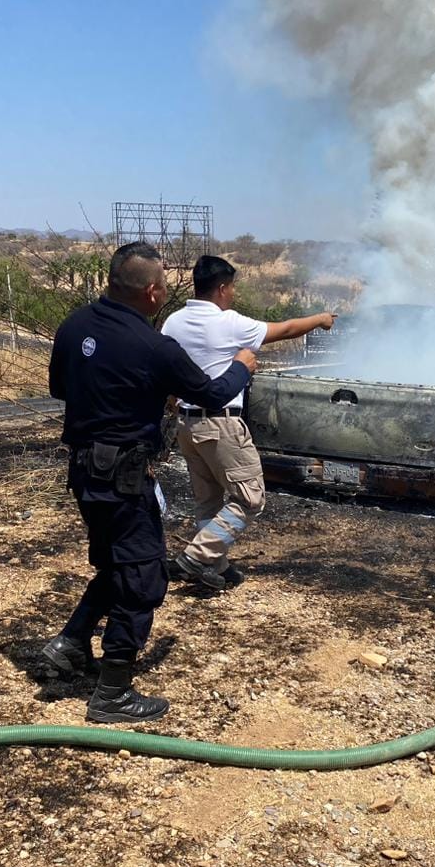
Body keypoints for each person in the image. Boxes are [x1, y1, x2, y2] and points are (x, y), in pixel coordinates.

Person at [41, 242, 258, 723]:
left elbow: (60, 387)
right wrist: (243, 363)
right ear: (155, 291)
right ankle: (112, 695)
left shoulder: (73, 325)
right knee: (142, 578)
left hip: (83, 472)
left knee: (117, 565)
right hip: (123, 476)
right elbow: (215, 392)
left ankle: (72, 643)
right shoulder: (154, 346)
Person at [160, 255, 335, 590]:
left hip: (185, 424)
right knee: (250, 497)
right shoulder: (229, 323)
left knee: (208, 500)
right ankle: (196, 557)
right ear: (222, 288)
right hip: (221, 425)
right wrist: (320, 319)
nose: (234, 293)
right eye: (233, 287)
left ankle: (217, 567)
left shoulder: (173, 322)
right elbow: (285, 329)